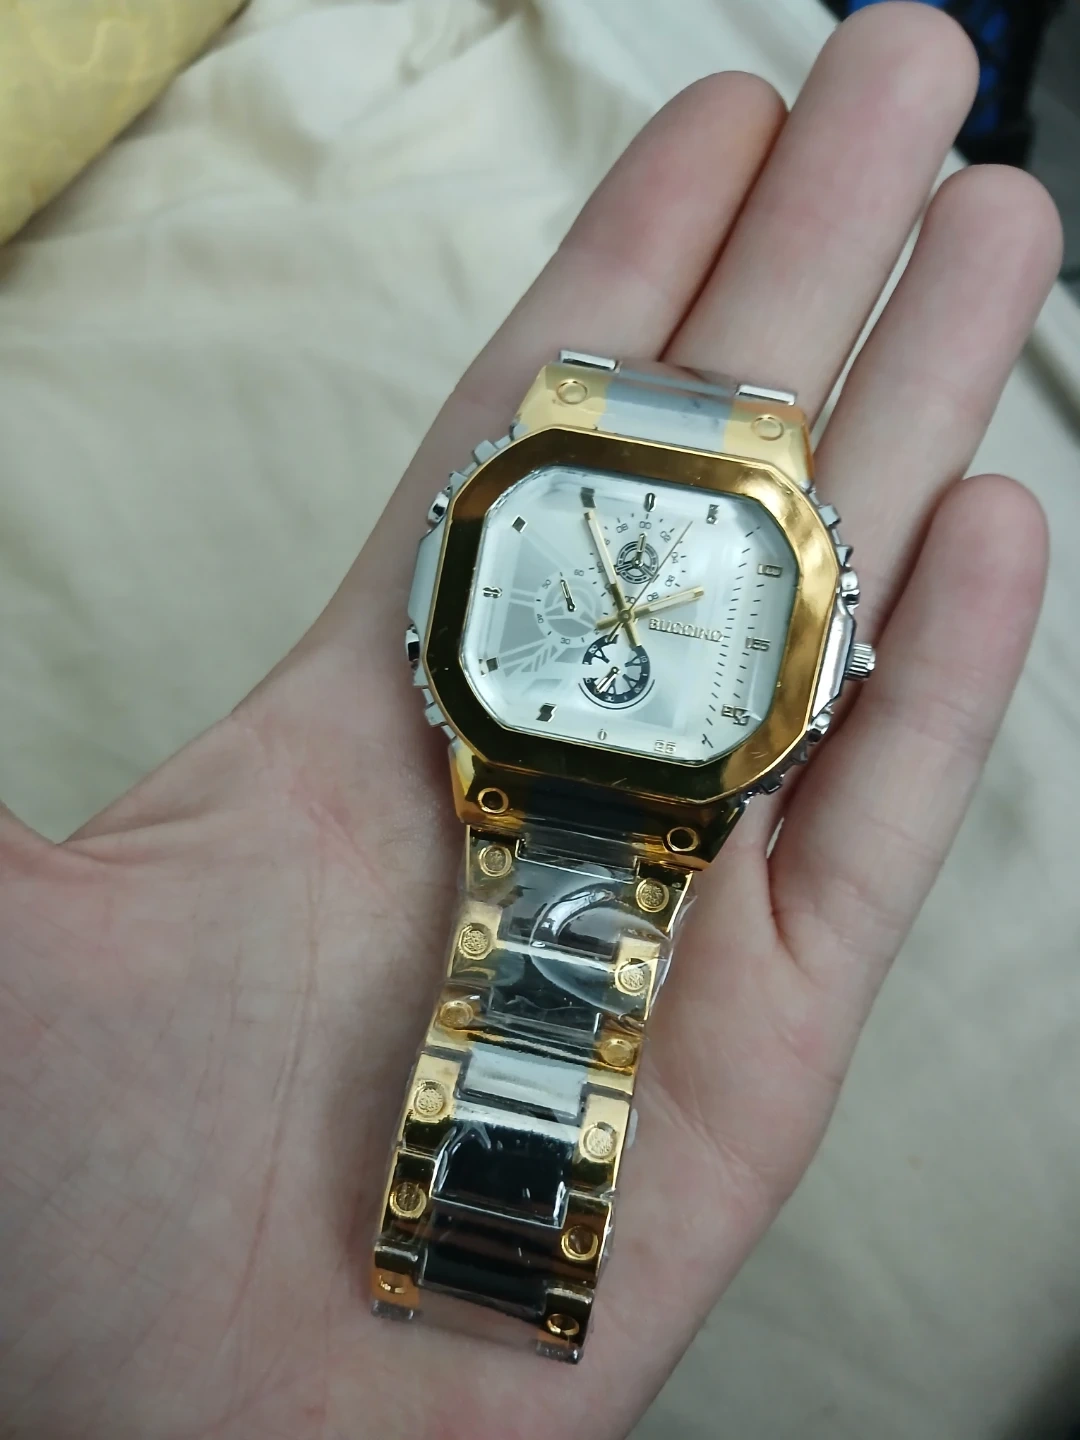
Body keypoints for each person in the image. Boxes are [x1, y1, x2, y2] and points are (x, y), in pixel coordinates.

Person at [0, 3, 1063, 1436]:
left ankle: (489, 1263)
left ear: (818, 668)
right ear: (452, 577)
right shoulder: (510, 553)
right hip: (524, 761)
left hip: (630, 795)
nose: (627, 623)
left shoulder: (721, 554)